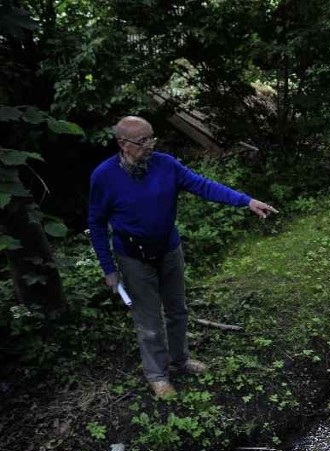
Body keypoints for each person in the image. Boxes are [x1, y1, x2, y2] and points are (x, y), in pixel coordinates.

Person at [88, 116, 278, 398]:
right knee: (150, 322)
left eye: (152, 137)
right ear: (123, 144)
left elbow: (203, 185)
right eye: (142, 141)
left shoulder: (165, 164)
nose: (150, 145)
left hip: (168, 250)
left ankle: (180, 359)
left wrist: (246, 201)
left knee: (177, 310)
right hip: (133, 258)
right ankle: (157, 375)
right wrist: (109, 269)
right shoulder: (104, 176)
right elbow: (97, 223)